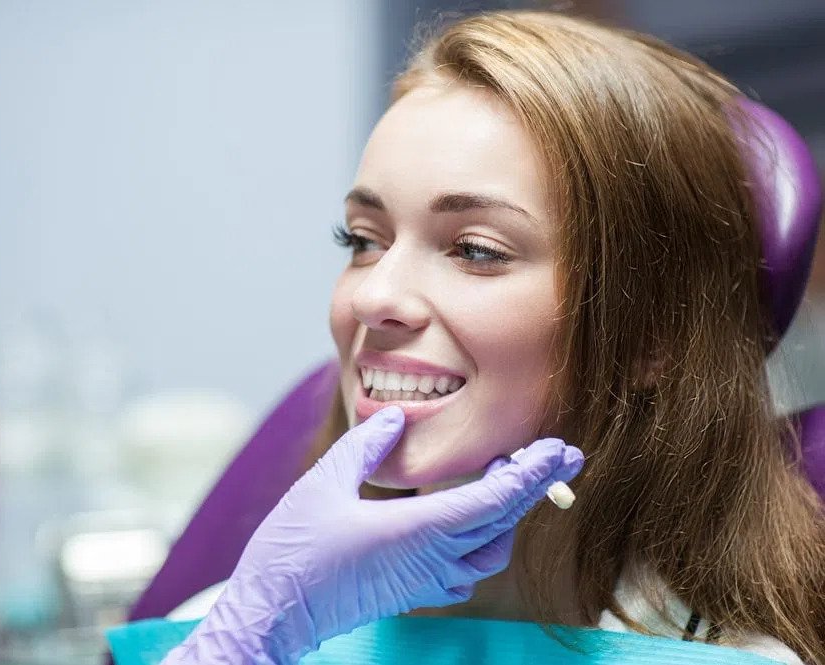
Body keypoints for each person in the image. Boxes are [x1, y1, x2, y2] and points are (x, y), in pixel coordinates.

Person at [157, 10, 823, 664]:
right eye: (362, 240)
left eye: (475, 250)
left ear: (652, 337)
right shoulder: (233, 624)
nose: (372, 296)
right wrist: (248, 636)